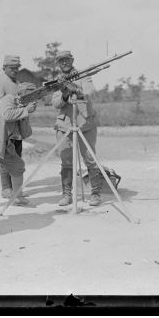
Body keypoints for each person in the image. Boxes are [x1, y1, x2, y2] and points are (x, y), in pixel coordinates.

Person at [52, 50, 103, 207]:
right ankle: (67, 194)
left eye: (67, 60)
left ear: (72, 60)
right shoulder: (57, 80)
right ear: (58, 64)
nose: (64, 63)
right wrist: (65, 94)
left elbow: (90, 92)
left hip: (84, 124)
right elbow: (55, 103)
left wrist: (76, 90)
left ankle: (95, 194)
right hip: (65, 125)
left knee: (90, 159)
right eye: (61, 61)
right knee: (66, 160)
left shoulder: (84, 75)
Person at [0, 82, 37, 206]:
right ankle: (14, 195)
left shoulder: (20, 105)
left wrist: (25, 113)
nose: (34, 98)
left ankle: (15, 195)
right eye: (30, 95)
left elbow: (26, 133)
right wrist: (25, 110)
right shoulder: (9, 99)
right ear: (20, 93)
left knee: (15, 165)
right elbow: (6, 115)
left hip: (3, 139)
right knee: (15, 166)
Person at [0, 55, 23, 198]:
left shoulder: (17, 83)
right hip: (5, 126)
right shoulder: (1, 83)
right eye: (12, 68)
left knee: (16, 156)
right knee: (5, 157)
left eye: (17, 68)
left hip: (16, 126)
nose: (15, 70)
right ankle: (6, 188)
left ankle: (15, 188)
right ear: (4, 68)